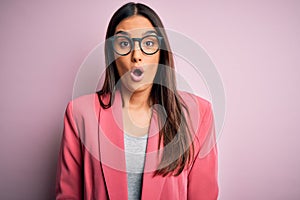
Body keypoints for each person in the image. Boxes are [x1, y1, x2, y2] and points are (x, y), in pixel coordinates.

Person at [56, 2, 218, 200]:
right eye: (124, 44)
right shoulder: (79, 114)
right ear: (112, 53)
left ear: (161, 52)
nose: (137, 56)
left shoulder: (198, 114)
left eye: (148, 43)